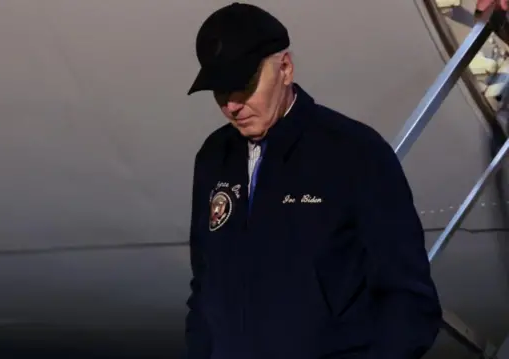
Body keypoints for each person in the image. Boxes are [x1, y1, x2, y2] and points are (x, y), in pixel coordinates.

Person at [184, 3, 443, 359]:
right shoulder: (214, 158)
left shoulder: (355, 153)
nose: (231, 106)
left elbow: (409, 300)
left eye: (242, 87)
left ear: (285, 68)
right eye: (219, 92)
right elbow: (204, 289)